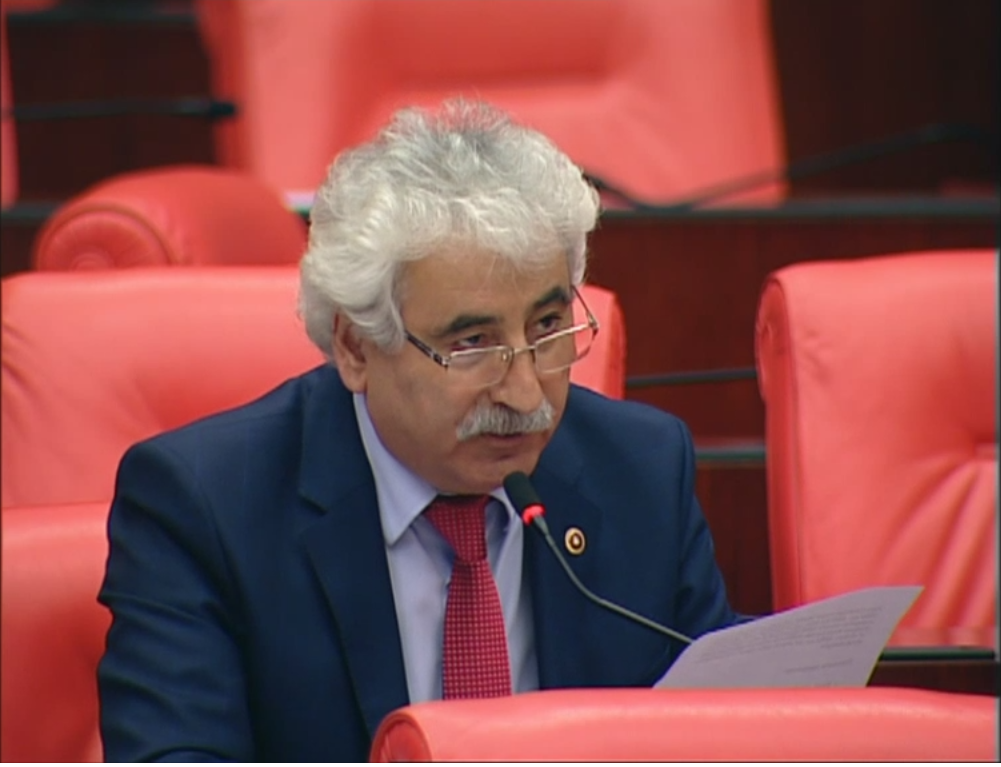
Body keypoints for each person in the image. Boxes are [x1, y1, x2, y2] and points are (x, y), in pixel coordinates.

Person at [98, 98, 739, 762]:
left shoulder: (642, 471)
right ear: (355, 347)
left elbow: (719, 727)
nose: (525, 395)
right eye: (472, 343)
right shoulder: (205, 509)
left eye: (547, 328)